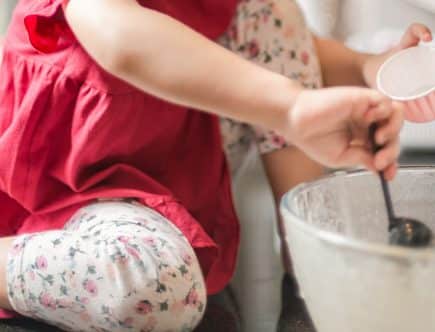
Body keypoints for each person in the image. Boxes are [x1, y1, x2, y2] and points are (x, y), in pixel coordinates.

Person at [0, 0, 423, 330]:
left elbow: (275, 39)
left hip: (169, 154)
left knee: (272, 13)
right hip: (75, 183)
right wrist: (291, 106)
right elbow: (120, 37)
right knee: (157, 286)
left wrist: (366, 66)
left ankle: (310, 243)